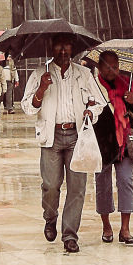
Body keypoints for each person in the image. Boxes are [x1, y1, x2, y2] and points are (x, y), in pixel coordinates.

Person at [21, 36, 100, 253]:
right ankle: (50, 216)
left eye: (67, 45)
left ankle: (70, 235)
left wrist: (90, 111)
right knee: (51, 185)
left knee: (77, 188)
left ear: (73, 48)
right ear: (51, 47)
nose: (63, 50)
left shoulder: (84, 74)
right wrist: (41, 90)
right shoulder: (39, 74)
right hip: (51, 137)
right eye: (59, 45)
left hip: (76, 136)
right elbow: (27, 107)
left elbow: (99, 103)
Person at [91, 50, 133, 244]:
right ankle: (106, 225)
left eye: (115, 66)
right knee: (102, 185)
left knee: (125, 181)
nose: (112, 70)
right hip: (101, 143)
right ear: (99, 67)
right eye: (107, 66)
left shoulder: (127, 84)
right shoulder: (94, 86)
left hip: (124, 144)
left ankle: (125, 228)